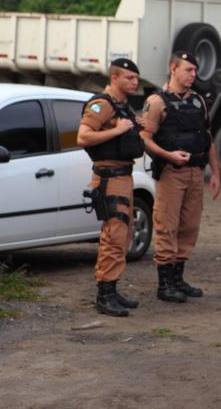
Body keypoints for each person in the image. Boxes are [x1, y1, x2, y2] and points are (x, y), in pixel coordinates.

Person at [140, 52, 221, 303]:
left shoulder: (198, 101)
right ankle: (165, 284)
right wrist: (168, 155)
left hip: (196, 171)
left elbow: (207, 138)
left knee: (189, 226)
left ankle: (178, 278)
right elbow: (144, 137)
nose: (193, 75)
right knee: (167, 224)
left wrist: (216, 173)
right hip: (171, 173)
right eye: (188, 70)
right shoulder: (157, 102)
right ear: (173, 68)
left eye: (195, 71)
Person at [77, 58, 147, 317]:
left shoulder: (122, 106)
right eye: (129, 78)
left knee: (124, 235)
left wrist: (133, 128)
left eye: (136, 78)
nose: (134, 82)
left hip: (124, 176)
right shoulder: (102, 105)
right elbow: (83, 137)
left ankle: (113, 288)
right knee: (113, 236)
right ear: (115, 78)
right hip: (108, 178)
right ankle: (104, 294)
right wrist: (117, 130)